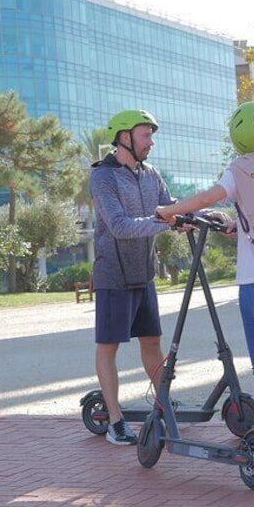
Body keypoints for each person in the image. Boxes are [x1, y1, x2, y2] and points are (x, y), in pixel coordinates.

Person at [156, 102, 254, 463]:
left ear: (235, 137)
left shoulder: (239, 169)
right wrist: (234, 227)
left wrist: (171, 210)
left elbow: (210, 198)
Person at [90, 109, 174, 445]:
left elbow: (170, 206)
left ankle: (164, 404)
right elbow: (120, 226)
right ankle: (115, 420)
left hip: (143, 274)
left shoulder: (150, 174)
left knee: (152, 342)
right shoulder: (104, 177)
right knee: (109, 347)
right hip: (113, 275)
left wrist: (201, 214)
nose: (151, 142)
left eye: (151, 136)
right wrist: (167, 223)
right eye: (145, 136)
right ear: (124, 137)